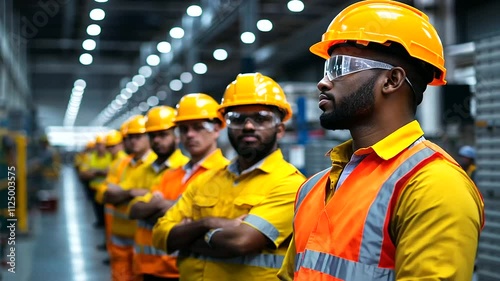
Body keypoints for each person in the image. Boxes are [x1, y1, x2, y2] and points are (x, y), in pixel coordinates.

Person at [279, 1, 485, 281]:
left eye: (339, 67)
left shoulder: (433, 186)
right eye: (327, 68)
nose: (323, 82)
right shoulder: (314, 188)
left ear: (392, 80)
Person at [152, 73, 306, 281]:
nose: (248, 126)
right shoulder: (204, 180)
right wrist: (208, 223)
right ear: (227, 127)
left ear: (279, 130)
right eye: (238, 119)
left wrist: (188, 234)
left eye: (261, 118)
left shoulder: (291, 185)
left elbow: (240, 242)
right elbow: (161, 236)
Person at [130, 93, 229, 281]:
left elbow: (220, 230)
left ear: (216, 129)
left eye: (198, 127)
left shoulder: (225, 174)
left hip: (192, 271)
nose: (190, 134)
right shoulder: (172, 174)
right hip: (151, 268)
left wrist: (163, 207)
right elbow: (135, 209)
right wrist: (184, 215)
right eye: (184, 129)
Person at [103, 115, 158, 281]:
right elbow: (106, 194)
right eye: (130, 137)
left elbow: (154, 200)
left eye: (138, 136)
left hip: (146, 241)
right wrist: (132, 193)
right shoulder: (120, 164)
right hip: (120, 238)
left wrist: (121, 192)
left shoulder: (158, 165)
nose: (134, 141)